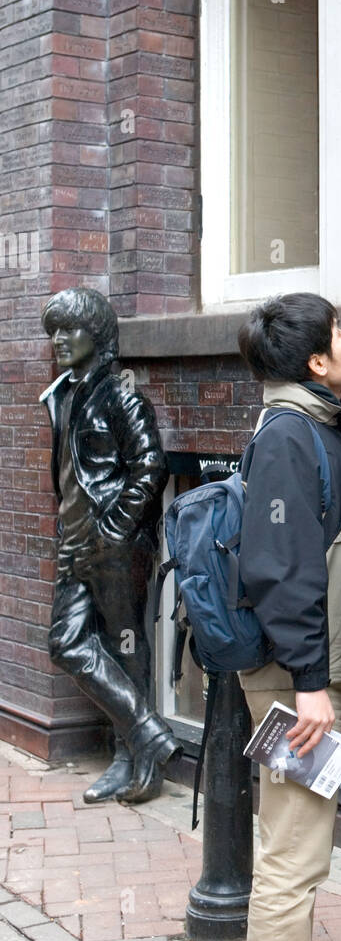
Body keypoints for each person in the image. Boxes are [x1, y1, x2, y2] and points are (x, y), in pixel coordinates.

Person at [237, 293, 341, 941]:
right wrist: (311, 685)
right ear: (316, 363)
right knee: (293, 853)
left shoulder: (309, 423)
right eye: (339, 332)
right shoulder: (292, 434)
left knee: (296, 843)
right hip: (296, 678)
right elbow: (278, 567)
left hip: (306, 671)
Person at [41, 287, 179, 805]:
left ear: (97, 336)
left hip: (111, 543)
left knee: (125, 644)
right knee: (68, 643)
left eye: (68, 330)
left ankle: (131, 759)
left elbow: (151, 467)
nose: (58, 340)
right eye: (52, 331)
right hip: (73, 543)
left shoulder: (121, 395)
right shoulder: (62, 395)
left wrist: (114, 529)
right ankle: (148, 733)